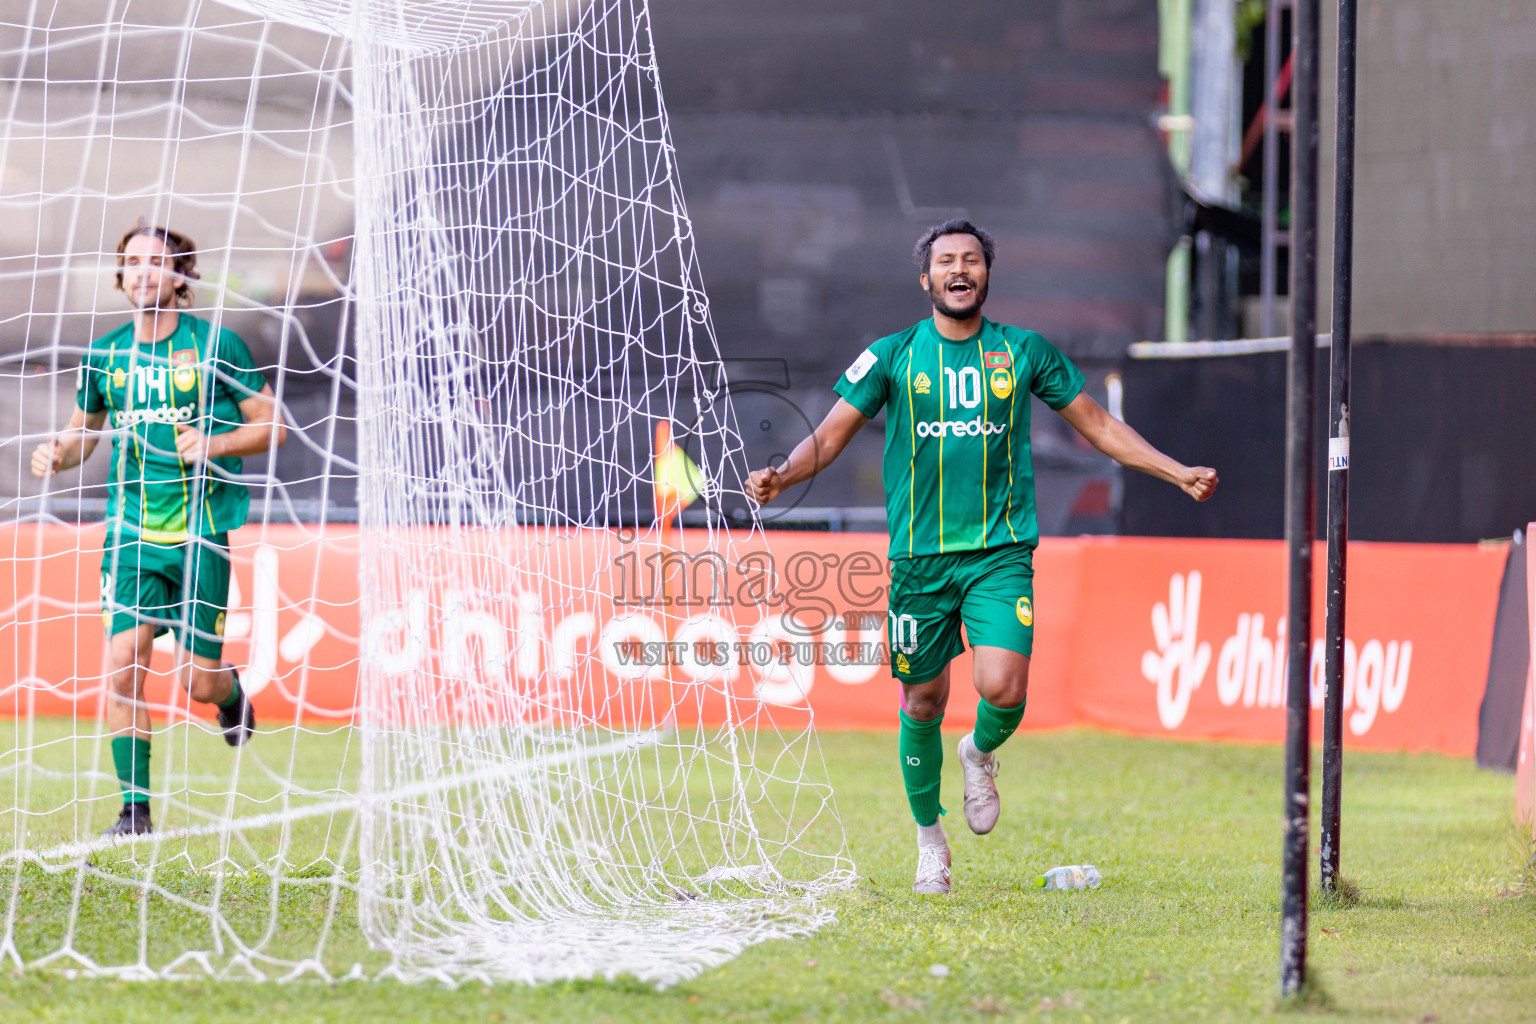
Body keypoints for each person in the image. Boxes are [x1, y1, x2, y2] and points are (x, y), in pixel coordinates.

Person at [748, 220, 1217, 893]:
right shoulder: (892, 356)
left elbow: (1099, 424)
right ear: (926, 279)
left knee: (1003, 686)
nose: (959, 270)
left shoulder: (1022, 353)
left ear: (987, 275)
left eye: (971, 260)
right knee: (922, 700)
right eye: (946, 262)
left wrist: (1175, 471)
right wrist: (782, 475)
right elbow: (829, 436)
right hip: (919, 561)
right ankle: (930, 842)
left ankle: (979, 752)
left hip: (999, 553)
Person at [32, 222, 287, 838]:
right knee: (123, 665)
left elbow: (272, 425)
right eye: (133, 262)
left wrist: (215, 442)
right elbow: (85, 431)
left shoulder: (216, 346)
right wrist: (58, 452)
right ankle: (134, 810)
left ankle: (228, 699)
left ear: (181, 277)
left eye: (157, 262)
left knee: (196, 682)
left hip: (201, 532)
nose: (144, 271)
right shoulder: (106, 354)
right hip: (130, 533)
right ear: (121, 277)